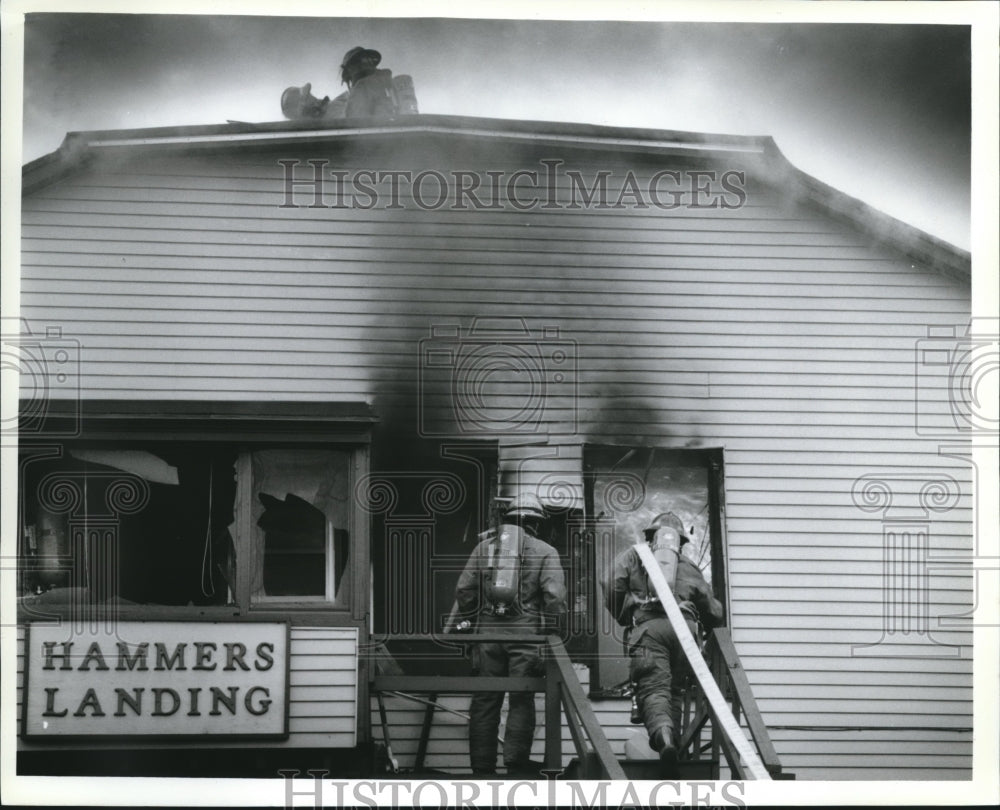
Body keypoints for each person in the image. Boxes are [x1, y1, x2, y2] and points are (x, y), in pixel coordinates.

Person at [454, 493, 567, 776]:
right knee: (521, 698)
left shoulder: (484, 548)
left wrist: (474, 619)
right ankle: (515, 767)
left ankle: (482, 770)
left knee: (484, 700)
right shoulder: (546, 551)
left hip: (486, 636)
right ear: (536, 524)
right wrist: (552, 630)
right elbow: (554, 597)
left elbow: (464, 591)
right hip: (526, 637)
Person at [603, 512, 724, 771]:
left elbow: (610, 582)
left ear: (650, 537)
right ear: (680, 542)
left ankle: (664, 739)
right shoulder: (688, 565)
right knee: (675, 691)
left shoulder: (633, 556)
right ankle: (674, 754)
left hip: (651, 630)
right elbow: (713, 612)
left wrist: (625, 612)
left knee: (653, 688)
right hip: (685, 633)